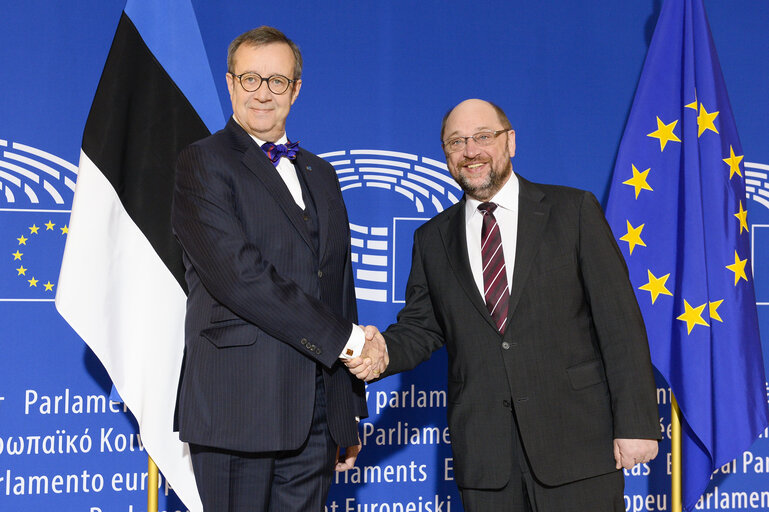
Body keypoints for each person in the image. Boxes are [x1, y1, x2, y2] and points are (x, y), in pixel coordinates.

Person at [347, 99, 660, 511]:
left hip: (578, 446)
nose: (470, 151)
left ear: (510, 141)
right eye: (456, 142)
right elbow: (422, 328)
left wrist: (636, 424)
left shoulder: (573, 211)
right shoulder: (432, 239)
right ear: (446, 157)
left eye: (482, 137)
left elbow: (619, 323)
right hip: (487, 461)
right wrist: (382, 351)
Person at [172, 26, 385, 511]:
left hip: (313, 415)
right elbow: (239, 278)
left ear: (296, 89)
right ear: (230, 84)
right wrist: (350, 342)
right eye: (250, 79)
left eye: (277, 81)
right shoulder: (202, 162)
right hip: (236, 408)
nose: (263, 93)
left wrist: (346, 413)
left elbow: (337, 287)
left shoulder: (321, 173)